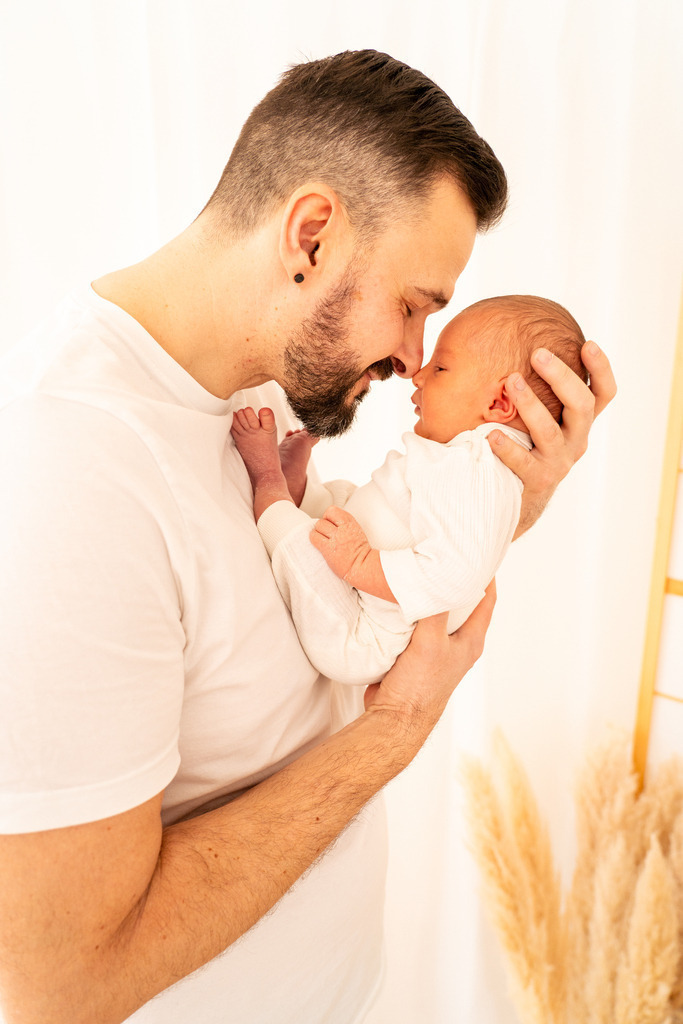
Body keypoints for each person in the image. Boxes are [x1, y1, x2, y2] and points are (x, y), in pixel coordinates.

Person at [0, 50, 615, 1024]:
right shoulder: (64, 474)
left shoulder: (251, 386)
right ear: (312, 234)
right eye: (413, 304)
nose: (414, 358)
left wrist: (502, 490)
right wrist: (394, 732)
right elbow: (60, 985)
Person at [231, 294, 587, 687]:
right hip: (364, 581)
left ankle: (268, 478)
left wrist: (359, 562)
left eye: (441, 367)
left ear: (500, 402)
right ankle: (300, 487)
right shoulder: (473, 460)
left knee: (295, 540)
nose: (418, 375)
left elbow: (458, 574)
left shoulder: (479, 467)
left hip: (363, 631)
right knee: (344, 502)